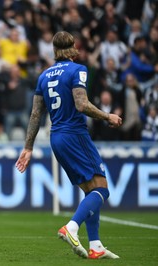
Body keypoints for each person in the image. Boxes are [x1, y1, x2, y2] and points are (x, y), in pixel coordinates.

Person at [15, 31, 122, 259]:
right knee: (102, 189)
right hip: (75, 134)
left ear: (54, 50)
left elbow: (35, 115)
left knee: (90, 191)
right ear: (73, 47)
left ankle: (96, 246)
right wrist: (107, 116)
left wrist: (28, 147)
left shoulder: (43, 76)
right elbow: (81, 104)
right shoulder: (77, 70)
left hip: (56, 138)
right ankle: (71, 227)